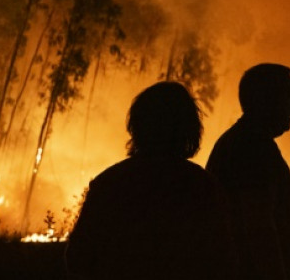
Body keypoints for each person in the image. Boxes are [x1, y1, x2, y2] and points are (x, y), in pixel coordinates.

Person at [66, 82, 236, 280]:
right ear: (189, 128)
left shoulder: (109, 183)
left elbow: (78, 258)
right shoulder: (202, 186)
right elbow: (223, 260)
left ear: (137, 126)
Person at [206, 63, 290, 280]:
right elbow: (259, 227)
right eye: (289, 96)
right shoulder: (252, 148)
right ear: (267, 100)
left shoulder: (244, 142)